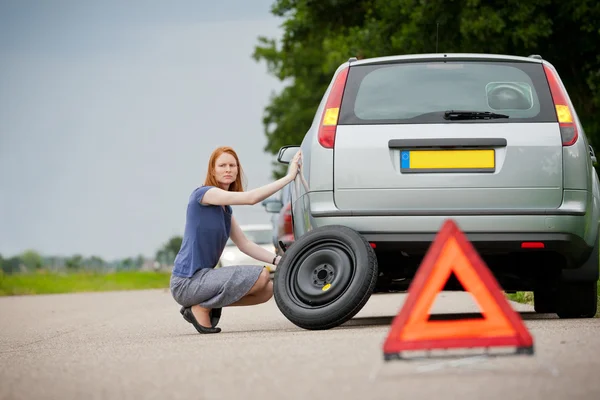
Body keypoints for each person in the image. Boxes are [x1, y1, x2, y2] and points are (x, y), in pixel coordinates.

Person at [170, 146, 302, 334]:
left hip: (204, 279)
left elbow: (245, 245)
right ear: (213, 170)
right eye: (222, 165)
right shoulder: (204, 195)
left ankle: (202, 305)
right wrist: (289, 178)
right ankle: (202, 308)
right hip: (186, 282)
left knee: (268, 289)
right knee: (261, 275)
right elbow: (251, 198)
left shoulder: (226, 210)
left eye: (233, 165)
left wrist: (280, 261)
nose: (228, 169)